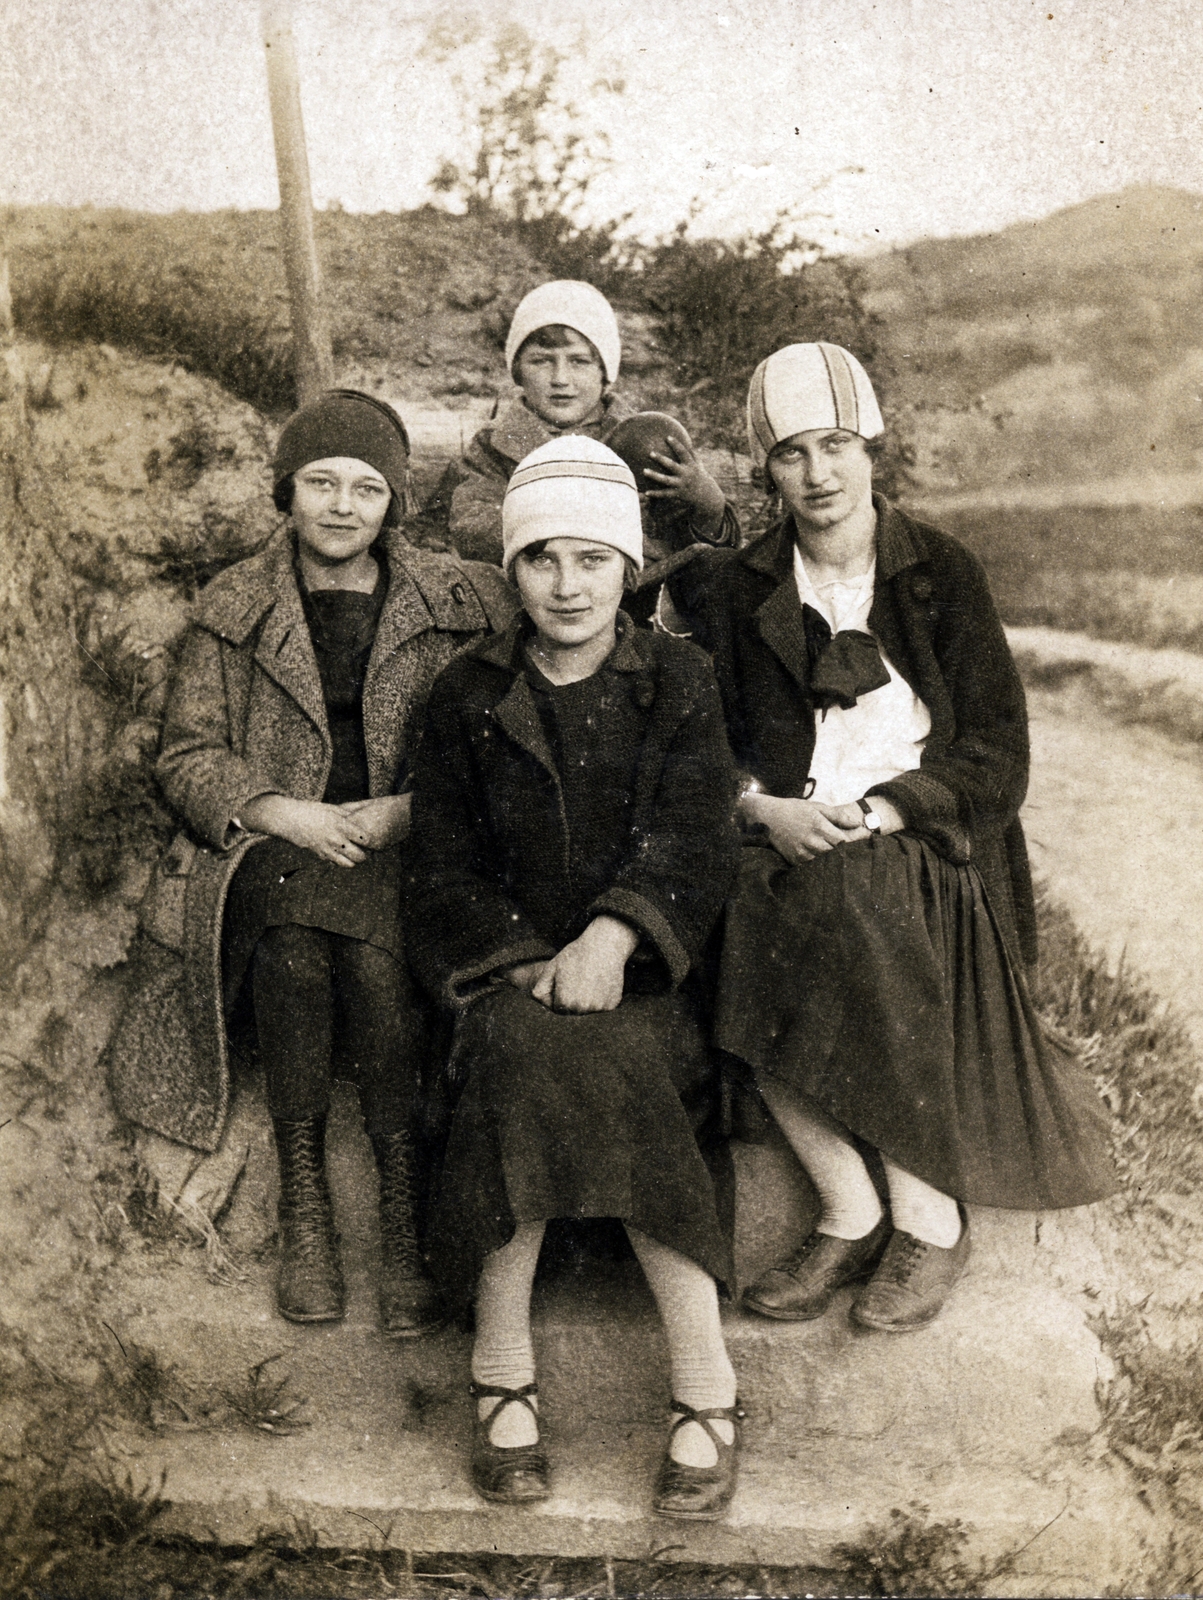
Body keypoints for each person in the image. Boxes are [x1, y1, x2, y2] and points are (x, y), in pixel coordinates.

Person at [671, 343, 1116, 1333]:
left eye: (836, 445)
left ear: (873, 446)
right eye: (791, 453)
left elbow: (998, 754)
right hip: (783, 833)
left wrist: (881, 810)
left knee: (843, 896)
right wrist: (762, 806)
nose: (818, 474)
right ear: (767, 469)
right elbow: (693, 743)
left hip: (923, 848)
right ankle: (851, 1205)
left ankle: (927, 1215)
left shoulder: (938, 574)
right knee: (728, 913)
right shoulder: (735, 589)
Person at [105, 389, 516, 1337]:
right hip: (273, 849)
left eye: (366, 488)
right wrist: (283, 812)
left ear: (394, 504)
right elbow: (187, 753)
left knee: (366, 960)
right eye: (320, 483)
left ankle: (402, 1212)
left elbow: (493, 737)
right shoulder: (234, 605)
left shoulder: (456, 600)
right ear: (285, 493)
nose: (341, 506)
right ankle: (305, 1202)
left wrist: (406, 809)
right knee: (292, 948)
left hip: (400, 843)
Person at [404, 437, 744, 1519]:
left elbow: (696, 840)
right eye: (542, 559)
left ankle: (704, 1380)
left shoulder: (678, 681)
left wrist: (612, 938)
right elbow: (442, 865)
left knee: (628, 1059)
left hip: (644, 981)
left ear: (627, 570)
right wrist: (525, 960)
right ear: (512, 571)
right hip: (507, 978)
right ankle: (502, 1367)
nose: (567, 584)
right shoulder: (465, 696)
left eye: (592, 560)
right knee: (514, 1053)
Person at [442, 280, 732, 566]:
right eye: (541, 361)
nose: (560, 379)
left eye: (579, 361)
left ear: (604, 371)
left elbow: (694, 545)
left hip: (636, 589)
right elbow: (472, 527)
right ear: (518, 372)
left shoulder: (645, 439)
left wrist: (709, 506)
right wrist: (567, 518)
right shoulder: (495, 445)